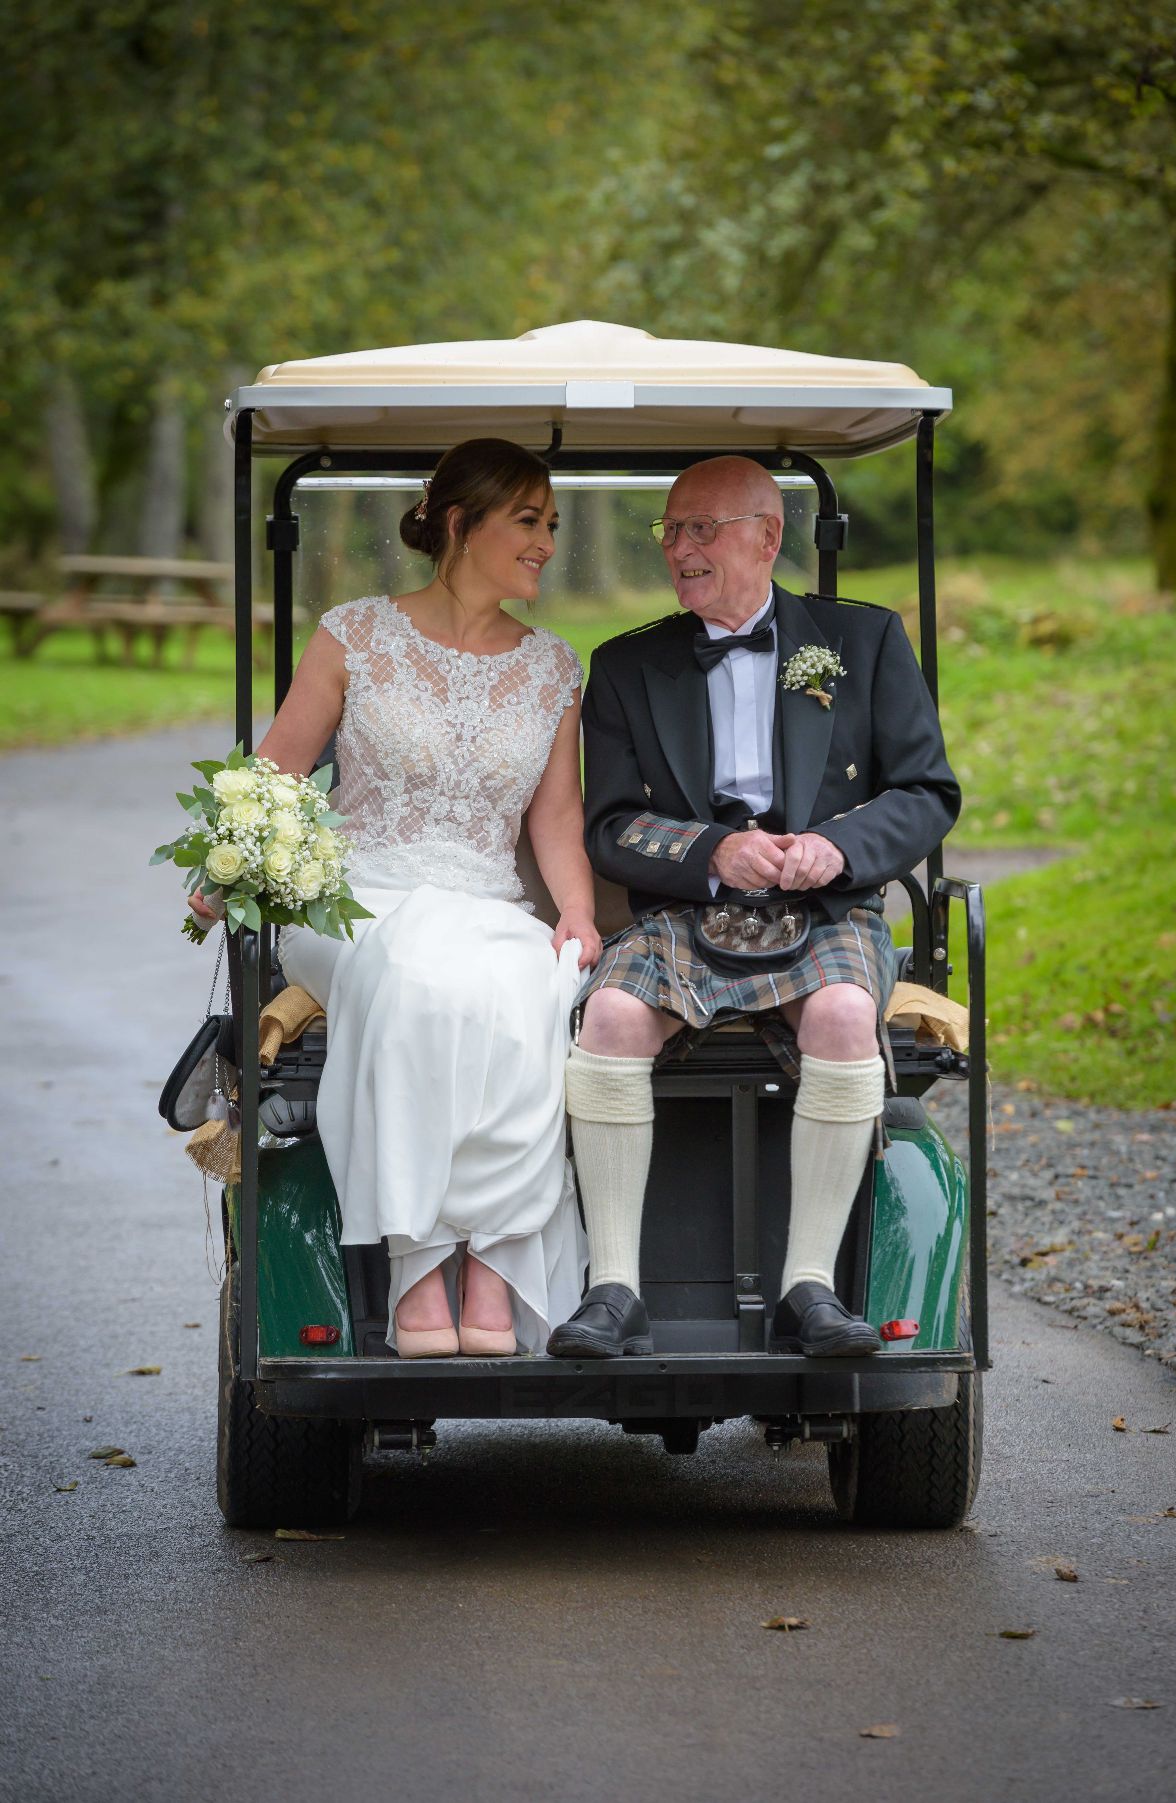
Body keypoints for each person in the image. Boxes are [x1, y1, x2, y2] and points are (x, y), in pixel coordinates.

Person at [192, 439, 601, 1357]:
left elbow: (558, 817)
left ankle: (492, 1267)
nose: (545, 543)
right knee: (415, 978)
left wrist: (575, 911)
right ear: (460, 524)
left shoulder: (551, 668)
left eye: (552, 526)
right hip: (358, 899)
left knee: (529, 987)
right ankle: (419, 1269)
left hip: (487, 901)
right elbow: (279, 770)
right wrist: (224, 866)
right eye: (528, 522)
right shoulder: (355, 634)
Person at [547, 455, 959, 1360]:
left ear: (769, 538)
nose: (681, 550)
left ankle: (806, 1286)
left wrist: (837, 847)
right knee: (609, 1016)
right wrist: (710, 851)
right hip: (684, 909)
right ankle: (614, 1287)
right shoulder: (626, 663)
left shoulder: (865, 641)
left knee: (850, 1014)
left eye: (704, 529)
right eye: (671, 530)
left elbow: (928, 792)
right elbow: (610, 825)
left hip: (823, 909)